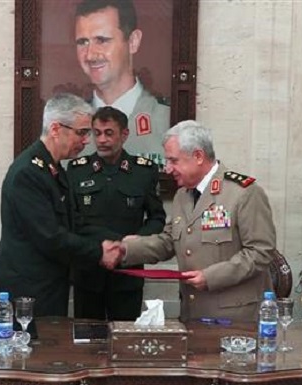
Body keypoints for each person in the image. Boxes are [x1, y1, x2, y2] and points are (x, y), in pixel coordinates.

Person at [116, 120, 277, 322]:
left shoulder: (243, 193)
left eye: (173, 161)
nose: (168, 169)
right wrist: (125, 249)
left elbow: (261, 252)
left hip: (234, 317)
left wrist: (211, 277)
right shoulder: (182, 195)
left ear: (198, 156)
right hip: (193, 312)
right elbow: (169, 241)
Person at [0, 93, 121, 318]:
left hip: (47, 291)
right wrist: (99, 252)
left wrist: (119, 241)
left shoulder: (54, 170)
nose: (87, 140)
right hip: (24, 298)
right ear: (56, 129)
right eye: (82, 132)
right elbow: (50, 237)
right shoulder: (28, 173)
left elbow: (74, 223)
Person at [66, 106, 166, 320]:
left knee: (125, 336)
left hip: (128, 272)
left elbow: (157, 218)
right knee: (87, 337)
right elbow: (72, 219)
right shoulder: (77, 170)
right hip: (88, 271)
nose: (102, 140)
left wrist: (130, 244)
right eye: (97, 133)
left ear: (124, 134)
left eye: (109, 133)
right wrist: (107, 245)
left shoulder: (143, 171)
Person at [74, 0, 170, 163]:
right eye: (83, 42)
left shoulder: (165, 119)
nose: (90, 55)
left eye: (102, 40)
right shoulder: (70, 125)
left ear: (133, 41)